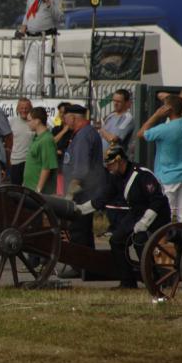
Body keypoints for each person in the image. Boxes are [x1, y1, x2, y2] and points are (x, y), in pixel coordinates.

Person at [75, 145, 171, 289]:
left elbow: (157, 201)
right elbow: (104, 198)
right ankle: (127, 281)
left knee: (140, 240)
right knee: (116, 240)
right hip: (136, 213)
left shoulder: (142, 175)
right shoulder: (116, 177)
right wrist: (81, 209)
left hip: (156, 215)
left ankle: (153, 278)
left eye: (110, 164)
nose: (108, 168)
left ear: (120, 161)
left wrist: (145, 222)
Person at [60, 104, 106, 278]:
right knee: (83, 231)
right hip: (86, 190)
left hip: (83, 191)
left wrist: (70, 193)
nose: (64, 120)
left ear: (74, 118)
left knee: (78, 230)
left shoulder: (84, 136)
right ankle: (89, 266)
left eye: (66, 117)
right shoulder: (84, 134)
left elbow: (81, 169)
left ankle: (80, 266)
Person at [138, 94, 182, 223]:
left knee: (167, 213)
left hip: (168, 176)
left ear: (168, 110)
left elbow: (141, 133)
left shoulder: (164, 129)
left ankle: (165, 239)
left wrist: (155, 115)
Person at [18, 0, 64, 92]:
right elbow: (28, 13)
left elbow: (60, 17)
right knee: (29, 70)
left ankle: (48, 93)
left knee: (47, 69)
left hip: (47, 37)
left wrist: (49, 3)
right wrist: (23, 26)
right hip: (31, 37)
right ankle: (31, 93)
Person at [23, 107, 58, 194]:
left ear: (37, 121)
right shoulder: (37, 137)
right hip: (30, 188)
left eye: (29, 120)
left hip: (39, 192)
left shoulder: (46, 140)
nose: (27, 123)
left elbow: (46, 167)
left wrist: (38, 190)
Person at [99, 89, 135, 154]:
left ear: (126, 103)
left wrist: (102, 131)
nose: (115, 103)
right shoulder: (110, 116)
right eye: (114, 101)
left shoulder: (127, 118)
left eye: (119, 101)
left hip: (116, 160)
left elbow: (113, 139)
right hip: (102, 159)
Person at [8, 98, 33, 185]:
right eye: (21, 108)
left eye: (26, 108)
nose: (24, 110)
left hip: (31, 162)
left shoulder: (35, 122)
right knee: (16, 191)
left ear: (30, 109)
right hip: (16, 162)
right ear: (17, 109)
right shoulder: (12, 122)